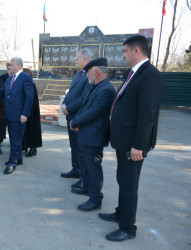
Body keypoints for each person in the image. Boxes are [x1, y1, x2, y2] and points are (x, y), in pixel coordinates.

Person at [99, 35, 163, 242]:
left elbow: (147, 114)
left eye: (125, 51)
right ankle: (121, 212)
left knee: (128, 185)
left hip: (132, 145)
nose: (123, 55)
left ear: (137, 51)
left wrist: (138, 146)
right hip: (124, 140)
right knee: (123, 180)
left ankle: (127, 227)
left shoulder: (150, 75)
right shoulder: (134, 73)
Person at [69, 58, 116, 211]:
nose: (87, 75)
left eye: (88, 72)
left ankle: (95, 198)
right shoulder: (97, 86)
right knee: (88, 166)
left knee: (94, 168)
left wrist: (76, 122)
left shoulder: (106, 90)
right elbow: (85, 107)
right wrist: (77, 120)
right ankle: (87, 188)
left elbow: (94, 112)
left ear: (96, 72)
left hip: (94, 137)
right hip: (87, 134)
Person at [0, 57, 34, 175]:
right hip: (9, 115)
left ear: (18, 65)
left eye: (11, 64)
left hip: (19, 115)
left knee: (15, 139)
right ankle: (18, 158)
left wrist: (25, 114)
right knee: (15, 138)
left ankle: (12, 162)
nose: (9, 67)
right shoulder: (10, 79)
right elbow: (1, 92)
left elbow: (29, 98)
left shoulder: (26, 78)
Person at [60, 49, 93, 190]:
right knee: (73, 145)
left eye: (77, 58)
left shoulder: (89, 75)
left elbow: (85, 97)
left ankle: (82, 176)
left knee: (80, 148)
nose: (75, 61)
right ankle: (75, 169)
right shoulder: (78, 74)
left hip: (78, 116)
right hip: (71, 116)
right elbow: (71, 92)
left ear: (85, 59)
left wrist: (70, 108)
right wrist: (64, 104)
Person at [21, 68, 42, 157]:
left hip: (32, 113)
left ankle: (33, 149)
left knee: (33, 131)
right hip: (29, 111)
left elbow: (32, 100)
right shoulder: (28, 84)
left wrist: (27, 112)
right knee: (27, 131)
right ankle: (25, 146)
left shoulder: (31, 85)